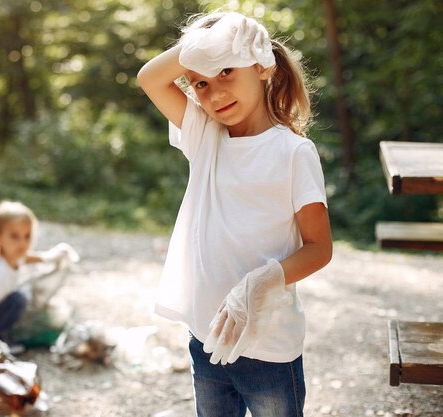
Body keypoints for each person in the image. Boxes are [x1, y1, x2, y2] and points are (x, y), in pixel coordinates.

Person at [137, 10, 332, 417]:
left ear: (262, 67)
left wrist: (262, 281)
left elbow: (319, 248)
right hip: (207, 338)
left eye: (227, 70)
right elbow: (150, 78)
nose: (215, 93)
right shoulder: (204, 134)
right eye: (201, 82)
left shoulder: (294, 153)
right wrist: (205, 42)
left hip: (269, 347)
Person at [0, 200, 78, 356]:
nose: (22, 243)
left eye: (27, 236)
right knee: (19, 298)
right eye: (15, 236)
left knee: (20, 295)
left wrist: (50, 257)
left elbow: (26, 258)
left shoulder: (8, 255)